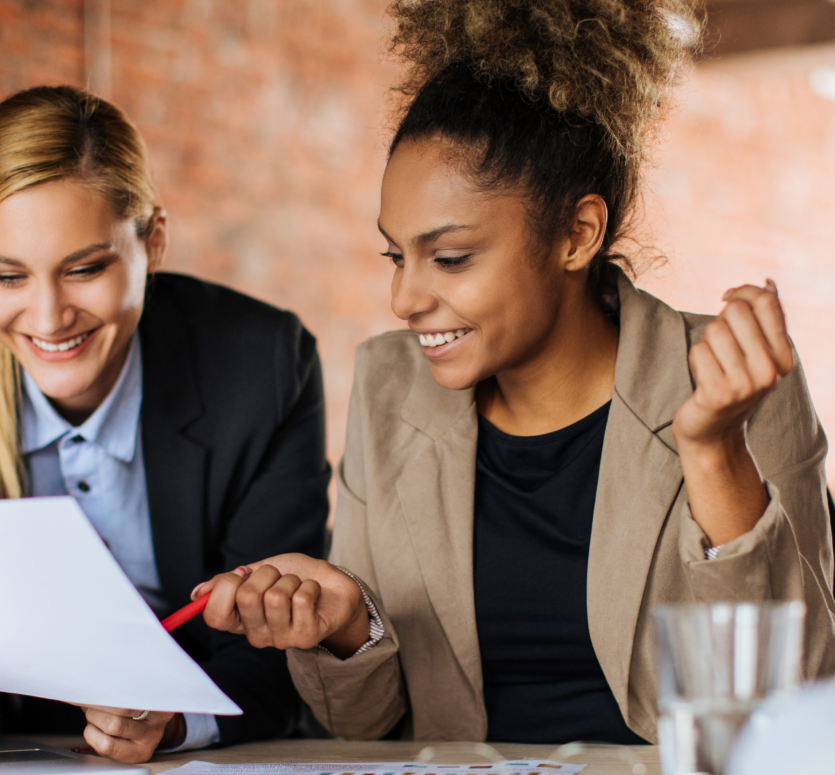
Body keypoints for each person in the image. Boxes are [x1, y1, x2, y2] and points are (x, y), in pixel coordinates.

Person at [196, 0, 835, 745]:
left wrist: (715, 452)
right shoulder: (389, 386)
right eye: (396, 255)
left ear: (577, 233)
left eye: (452, 256)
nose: (403, 298)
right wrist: (346, 632)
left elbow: (792, 707)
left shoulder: (736, 384)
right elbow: (360, 729)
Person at [0, 86, 330, 762]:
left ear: (153, 240)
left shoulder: (264, 365)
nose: (47, 319)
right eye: (7, 277)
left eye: (84, 268)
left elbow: (282, 654)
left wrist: (172, 721)